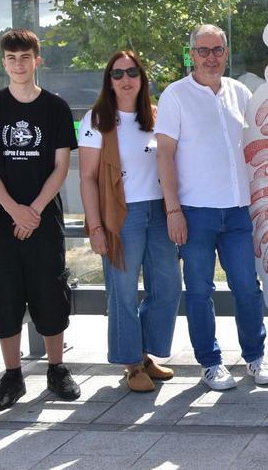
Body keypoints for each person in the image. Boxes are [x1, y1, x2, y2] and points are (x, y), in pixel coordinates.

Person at [156, 24, 268, 391]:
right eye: (203, 50)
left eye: (218, 50)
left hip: (237, 212)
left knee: (247, 288)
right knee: (198, 291)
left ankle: (255, 357)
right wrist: (173, 211)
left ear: (226, 52)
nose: (211, 57)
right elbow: (164, 155)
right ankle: (210, 363)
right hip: (195, 213)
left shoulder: (239, 92)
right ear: (191, 54)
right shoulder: (176, 95)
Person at [0, 29, 80, 410]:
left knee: (50, 291)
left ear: (38, 60)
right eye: (11, 58)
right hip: (1, 216)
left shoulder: (55, 108)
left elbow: (61, 165)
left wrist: (32, 210)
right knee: (6, 295)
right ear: (3, 62)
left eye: (25, 57)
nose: (18, 64)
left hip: (44, 215)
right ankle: (13, 375)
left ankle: (56, 369)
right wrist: (14, 209)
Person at [77, 51, 181, 393]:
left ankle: (146, 355)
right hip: (122, 215)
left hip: (158, 211)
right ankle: (131, 363)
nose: (125, 78)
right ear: (109, 80)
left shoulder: (156, 116)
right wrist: (95, 227)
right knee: (122, 291)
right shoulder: (96, 120)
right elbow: (88, 178)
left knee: (166, 286)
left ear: (142, 77)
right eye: (118, 73)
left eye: (132, 71)